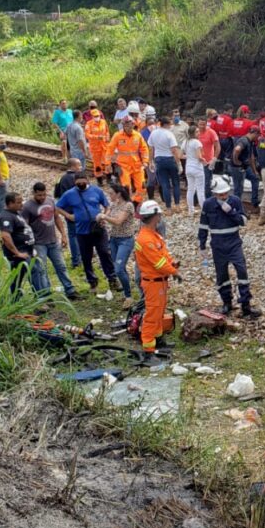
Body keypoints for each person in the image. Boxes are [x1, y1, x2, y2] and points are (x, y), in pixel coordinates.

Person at [198, 177, 262, 319]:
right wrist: (202, 245)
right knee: (222, 276)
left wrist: (231, 212)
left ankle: (246, 306)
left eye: (226, 193)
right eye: (221, 195)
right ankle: (227, 303)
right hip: (218, 246)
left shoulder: (235, 201)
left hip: (234, 244)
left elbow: (243, 221)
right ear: (214, 194)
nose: (224, 197)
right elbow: (203, 225)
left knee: (242, 271)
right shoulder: (208, 205)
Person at [55, 172, 120, 299]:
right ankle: (92, 282)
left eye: (83, 181)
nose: (80, 184)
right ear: (75, 182)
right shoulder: (69, 194)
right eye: (78, 182)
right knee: (86, 257)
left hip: (98, 228)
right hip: (82, 231)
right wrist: (68, 216)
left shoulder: (97, 191)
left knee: (105, 252)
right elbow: (57, 207)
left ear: (87, 180)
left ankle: (112, 279)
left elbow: (107, 205)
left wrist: (104, 216)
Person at [133, 200, 179, 358]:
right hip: (153, 282)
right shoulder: (146, 239)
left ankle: (158, 340)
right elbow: (158, 263)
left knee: (159, 312)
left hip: (159, 282)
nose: (160, 216)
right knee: (152, 315)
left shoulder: (153, 235)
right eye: (158, 214)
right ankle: (148, 349)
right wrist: (174, 272)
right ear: (154, 216)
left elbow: (163, 255)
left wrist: (172, 263)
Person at [22, 182, 79, 301]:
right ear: (34, 193)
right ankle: (46, 293)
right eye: (39, 195)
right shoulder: (27, 207)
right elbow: (25, 227)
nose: (42, 198)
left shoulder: (50, 201)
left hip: (53, 240)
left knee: (61, 266)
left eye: (43, 194)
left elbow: (57, 217)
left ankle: (70, 290)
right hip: (38, 243)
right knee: (42, 269)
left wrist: (63, 235)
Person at [98, 184, 139, 309]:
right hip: (114, 239)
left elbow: (118, 221)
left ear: (118, 194)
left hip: (125, 240)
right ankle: (127, 292)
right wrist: (102, 219)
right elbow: (108, 216)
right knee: (120, 268)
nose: (109, 196)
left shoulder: (128, 205)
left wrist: (104, 216)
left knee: (119, 269)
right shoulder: (113, 205)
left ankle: (128, 296)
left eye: (111, 193)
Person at [0, 192, 36, 299]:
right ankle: (39, 296)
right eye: (18, 202)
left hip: (26, 250)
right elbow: (5, 236)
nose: (22, 204)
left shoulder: (15, 213)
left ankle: (16, 296)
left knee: (18, 276)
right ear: (10, 203)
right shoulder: (6, 216)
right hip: (19, 253)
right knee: (32, 272)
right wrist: (17, 253)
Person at [108, 116, 151, 204]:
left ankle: (136, 202)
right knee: (126, 187)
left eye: (130, 124)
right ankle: (128, 203)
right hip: (123, 165)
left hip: (137, 165)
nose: (128, 127)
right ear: (123, 125)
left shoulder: (138, 135)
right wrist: (108, 164)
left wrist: (145, 161)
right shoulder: (117, 135)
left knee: (142, 187)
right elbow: (110, 149)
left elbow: (144, 148)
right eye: (126, 125)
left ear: (133, 124)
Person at [147, 116, 182, 212]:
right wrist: (179, 163)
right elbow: (174, 150)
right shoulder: (169, 134)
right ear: (166, 124)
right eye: (170, 124)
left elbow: (151, 148)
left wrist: (151, 161)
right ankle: (178, 206)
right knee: (175, 183)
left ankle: (168, 208)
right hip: (170, 159)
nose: (171, 126)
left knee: (165, 185)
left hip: (159, 159)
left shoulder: (153, 133)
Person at [54, 158, 84, 268]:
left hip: (68, 212)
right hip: (79, 211)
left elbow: (57, 195)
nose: (80, 167)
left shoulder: (61, 178)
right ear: (73, 166)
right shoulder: (78, 178)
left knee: (73, 235)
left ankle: (76, 260)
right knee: (80, 235)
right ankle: (79, 258)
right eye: (79, 165)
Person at [229, 126, 259, 212]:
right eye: (258, 135)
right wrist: (236, 161)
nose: (258, 137)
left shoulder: (250, 142)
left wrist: (254, 171)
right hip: (238, 168)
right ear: (255, 133)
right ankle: (237, 209)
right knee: (238, 189)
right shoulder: (244, 141)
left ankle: (254, 202)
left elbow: (251, 157)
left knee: (255, 178)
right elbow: (237, 149)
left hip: (244, 166)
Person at [84, 108, 110, 184]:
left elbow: (107, 131)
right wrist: (97, 137)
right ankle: (100, 180)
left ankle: (109, 179)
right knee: (97, 165)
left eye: (98, 115)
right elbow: (87, 135)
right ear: (92, 116)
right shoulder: (89, 124)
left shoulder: (103, 122)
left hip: (104, 146)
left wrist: (108, 137)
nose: (97, 117)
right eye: (95, 116)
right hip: (95, 148)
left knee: (107, 163)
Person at [184, 124, 206, 213]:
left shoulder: (185, 142)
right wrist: (204, 160)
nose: (198, 133)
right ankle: (204, 210)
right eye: (197, 131)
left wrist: (189, 156)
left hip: (188, 167)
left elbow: (180, 155)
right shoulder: (197, 143)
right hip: (197, 168)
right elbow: (199, 156)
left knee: (190, 189)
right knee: (200, 190)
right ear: (193, 133)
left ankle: (191, 210)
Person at [197, 117, 219, 192]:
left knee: (207, 182)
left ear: (206, 124)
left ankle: (207, 199)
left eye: (203, 124)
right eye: (200, 124)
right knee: (197, 181)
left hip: (208, 161)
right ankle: (196, 199)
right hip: (197, 160)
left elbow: (218, 146)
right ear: (198, 124)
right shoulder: (196, 132)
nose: (202, 126)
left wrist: (214, 159)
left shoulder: (211, 132)